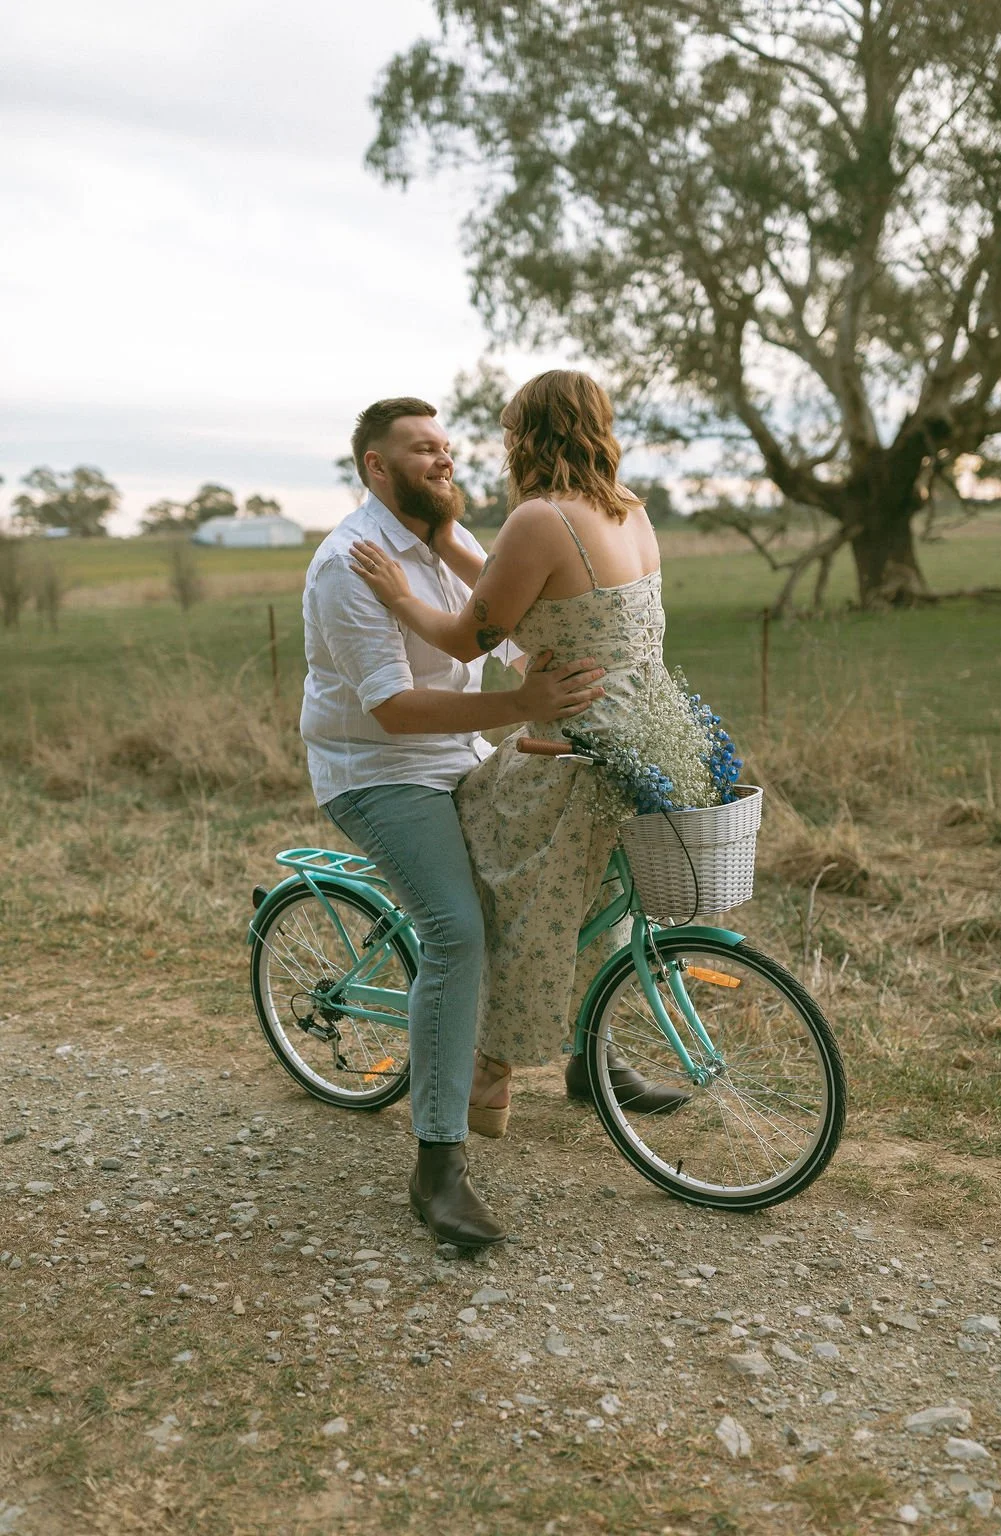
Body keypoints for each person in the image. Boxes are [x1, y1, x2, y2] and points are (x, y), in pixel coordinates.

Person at [351, 370, 705, 1139]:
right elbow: (538, 601)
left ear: (534, 437)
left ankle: (488, 1075)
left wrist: (399, 595)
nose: (504, 447)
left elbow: (470, 634)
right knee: (594, 907)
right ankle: (591, 1059)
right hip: (630, 742)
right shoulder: (630, 511)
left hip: (565, 747)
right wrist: (449, 543)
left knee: (523, 908)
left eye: (511, 432)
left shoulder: (540, 517)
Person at [300, 396, 606, 1249]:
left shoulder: (445, 541)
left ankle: (592, 1063)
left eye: (445, 446)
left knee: (561, 861)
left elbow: (503, 631)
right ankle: (438, 1167)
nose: (442, 458)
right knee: (457, 932)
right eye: (420, 449)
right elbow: (393, 710)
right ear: (375, 467)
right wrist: (523, 702)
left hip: (458, 751)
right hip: (378, 771)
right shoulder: (348, 565)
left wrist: (546, 679)